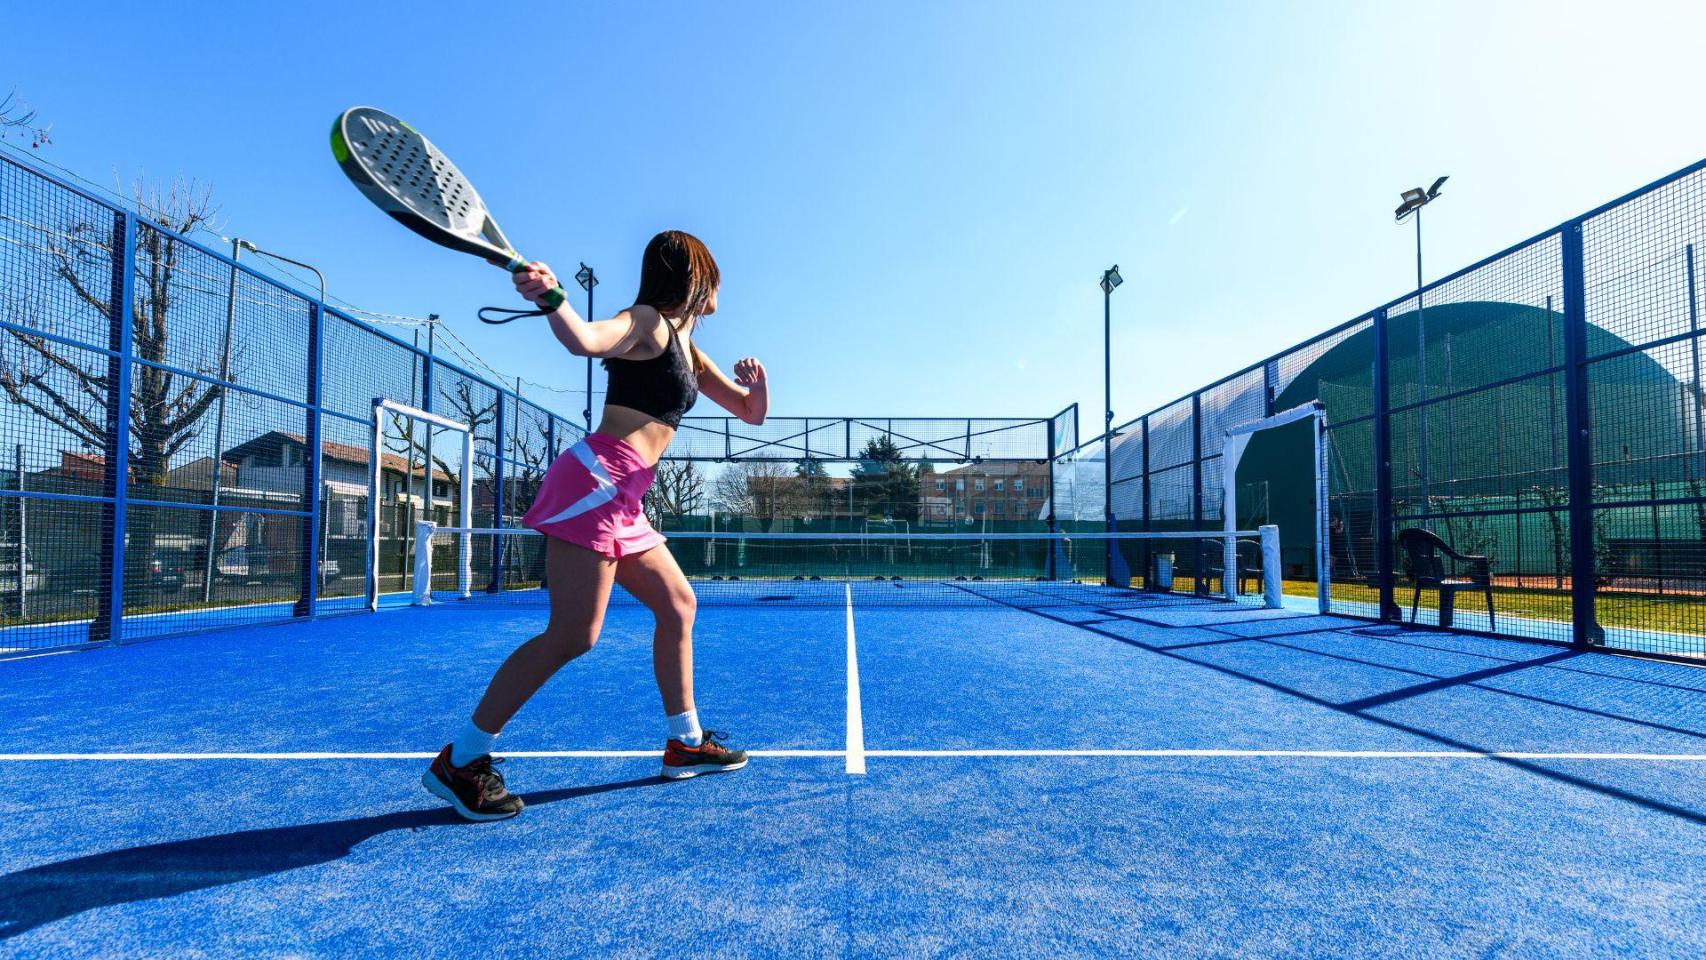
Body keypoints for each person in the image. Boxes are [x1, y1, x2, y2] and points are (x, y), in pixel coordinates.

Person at [423, 230, 768, 821]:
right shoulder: (646, 321)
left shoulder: (687, 347)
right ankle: (462, 759)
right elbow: (584, 340)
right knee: (573, 636)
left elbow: (749, 412)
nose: (718, 287)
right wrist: (553, 295)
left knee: (678, 604)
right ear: (692, 275)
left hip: (624, 494)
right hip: (596, 483)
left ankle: (685, 742)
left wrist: (758, 385)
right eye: (711, 274)